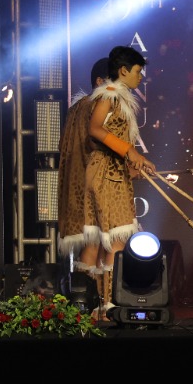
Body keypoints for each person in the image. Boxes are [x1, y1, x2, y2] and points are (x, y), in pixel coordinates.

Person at [64, 45, 155, 314]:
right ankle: (108, 305)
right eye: (138, 71)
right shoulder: (110, 94)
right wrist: (129, 151)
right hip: (106, 174)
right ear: (123, 71)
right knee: (116, 241)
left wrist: (134, 162)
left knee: (99, 241)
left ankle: (91, 305)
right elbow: (95, 129)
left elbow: (110, 139)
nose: (141, 77)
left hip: (108, 171)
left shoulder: (117, 97)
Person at [56, 58, 111, 260]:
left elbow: (62, 145)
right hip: (96, 184)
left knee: (94, 243)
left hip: (78, 184)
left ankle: (90, 281)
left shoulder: (77, 108)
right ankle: (98, 281)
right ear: (99, 81)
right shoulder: (99, 106)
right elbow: (99, 145)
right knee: (103, 243)